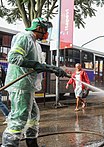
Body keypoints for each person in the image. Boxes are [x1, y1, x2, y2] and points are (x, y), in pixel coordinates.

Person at [1, 17, 67, 147]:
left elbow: (39, 65)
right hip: (21, 86)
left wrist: (52, 68)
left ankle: (32, 144)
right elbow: (13, 57)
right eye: (46, 30)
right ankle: (8, 145)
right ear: (39, 28)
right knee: (19, 119)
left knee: (33, 115)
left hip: (28, 87)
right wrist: (36, 64)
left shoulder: (36, 44)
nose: (47, 33)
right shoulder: (25, 38)